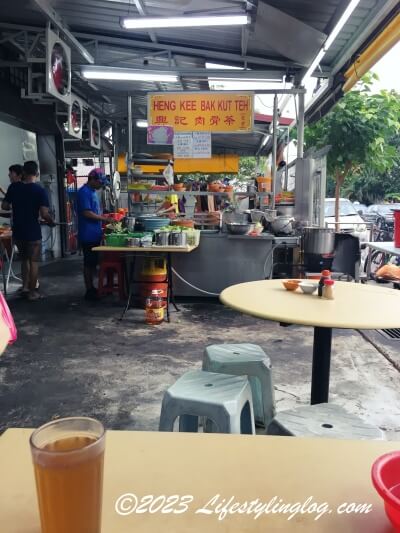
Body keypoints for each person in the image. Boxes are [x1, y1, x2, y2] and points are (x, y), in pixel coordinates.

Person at [1, 160, 55, 300]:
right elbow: (44, 214)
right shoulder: (40, 191)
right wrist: (51, 222)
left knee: (24, 260)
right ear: (37, 173)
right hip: (32, 232)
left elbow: (5, 207)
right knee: (34, 262)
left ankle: (25, 288)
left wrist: (16, 205)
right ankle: (32, 292)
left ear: (23, 173)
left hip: (18, 231)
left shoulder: (14, 187)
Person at [77, 168, 110, 301]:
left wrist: (103, 216)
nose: (101, 185)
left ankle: (93, 288)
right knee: (89, 263)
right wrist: (104, 219)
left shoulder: (92, 192)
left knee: (93, 262)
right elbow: (86, 213)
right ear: (92, 179)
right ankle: (89, 290)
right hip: (87, 234)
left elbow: (94, 211)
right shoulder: (84, 192)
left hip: (94, 233)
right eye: (100, 183)